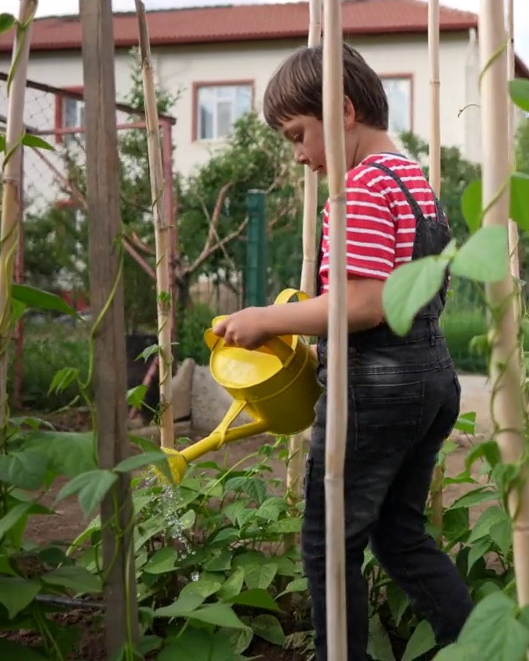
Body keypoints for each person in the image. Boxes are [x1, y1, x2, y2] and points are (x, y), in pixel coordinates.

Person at [211, 42, 474, 659]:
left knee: (328, 545)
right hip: (431, 378)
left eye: (299, 135)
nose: (300, 156)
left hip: (376, 387)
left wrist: (265, 319)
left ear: (345, 112)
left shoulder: (358, 188)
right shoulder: (413, 180)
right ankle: (484, 648)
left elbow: (365, 303)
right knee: (400, 536)